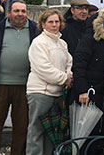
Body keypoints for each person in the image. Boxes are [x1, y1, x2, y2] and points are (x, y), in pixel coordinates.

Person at [0, 0, 39, 155]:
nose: (20, 14)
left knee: (21, 127)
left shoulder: (35, 29)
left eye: (23, 11)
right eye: (16, 11)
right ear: (8, 13)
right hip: (0, 85)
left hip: (25, 86)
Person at [26, 9, 73, 155]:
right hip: (40, 93)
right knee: (36, 132)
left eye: (57, 21)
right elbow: (43, 68)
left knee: (51, 133)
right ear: (43, 24)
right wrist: (64, 78)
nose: (54, 25)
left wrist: (69, 75)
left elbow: (69, 63)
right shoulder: (38, 42)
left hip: (58, 94)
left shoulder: (63, 43)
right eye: (50, 22)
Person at [72, 7, 104, 139]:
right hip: (88, 92)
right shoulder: (88, 40)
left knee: (98, 130)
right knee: (85, 132)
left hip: (102, 92)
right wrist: (82, 90)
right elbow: (79, 66)